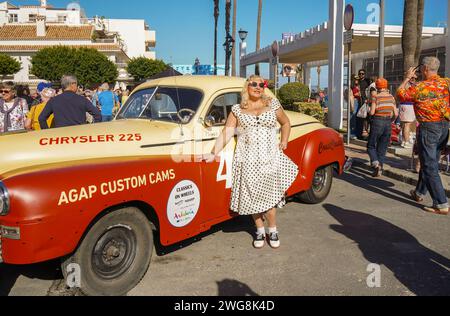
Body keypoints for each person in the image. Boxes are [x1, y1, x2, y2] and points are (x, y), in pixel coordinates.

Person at [204, 75, 299, 249]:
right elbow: (227, 132)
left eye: (262, 84)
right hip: (247, 159)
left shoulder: (272, 104)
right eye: (253, 84)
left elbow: (286, 123)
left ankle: (273, 229)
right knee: (252, 197)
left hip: (269, 158)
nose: (258, 87)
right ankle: (260, 230)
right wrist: (213, 153)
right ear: (246, 87)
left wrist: (284, 141)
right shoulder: (237, 109)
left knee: (271, 197)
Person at [397, 56, 450, 215]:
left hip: (429, 127)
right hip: (444, 127)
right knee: (429, 161)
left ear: (425, 69)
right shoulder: (446, 83)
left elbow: (400, 94)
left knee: (429, 165)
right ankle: (419, 192)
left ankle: (441, 203)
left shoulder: (419, 87)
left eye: (421, 68)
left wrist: (407, 78)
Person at [367, 78, 399, 177]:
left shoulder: (376, 97)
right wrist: (391, 120)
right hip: (387, 122)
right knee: (382, 147)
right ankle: (380, 169)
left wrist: (368, 110)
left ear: (377, 87)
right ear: (386, 86)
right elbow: (396, 113)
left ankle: (375, 163)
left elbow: (372, 112)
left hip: (377, 121)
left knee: (371, 146)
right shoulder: (391, 97)